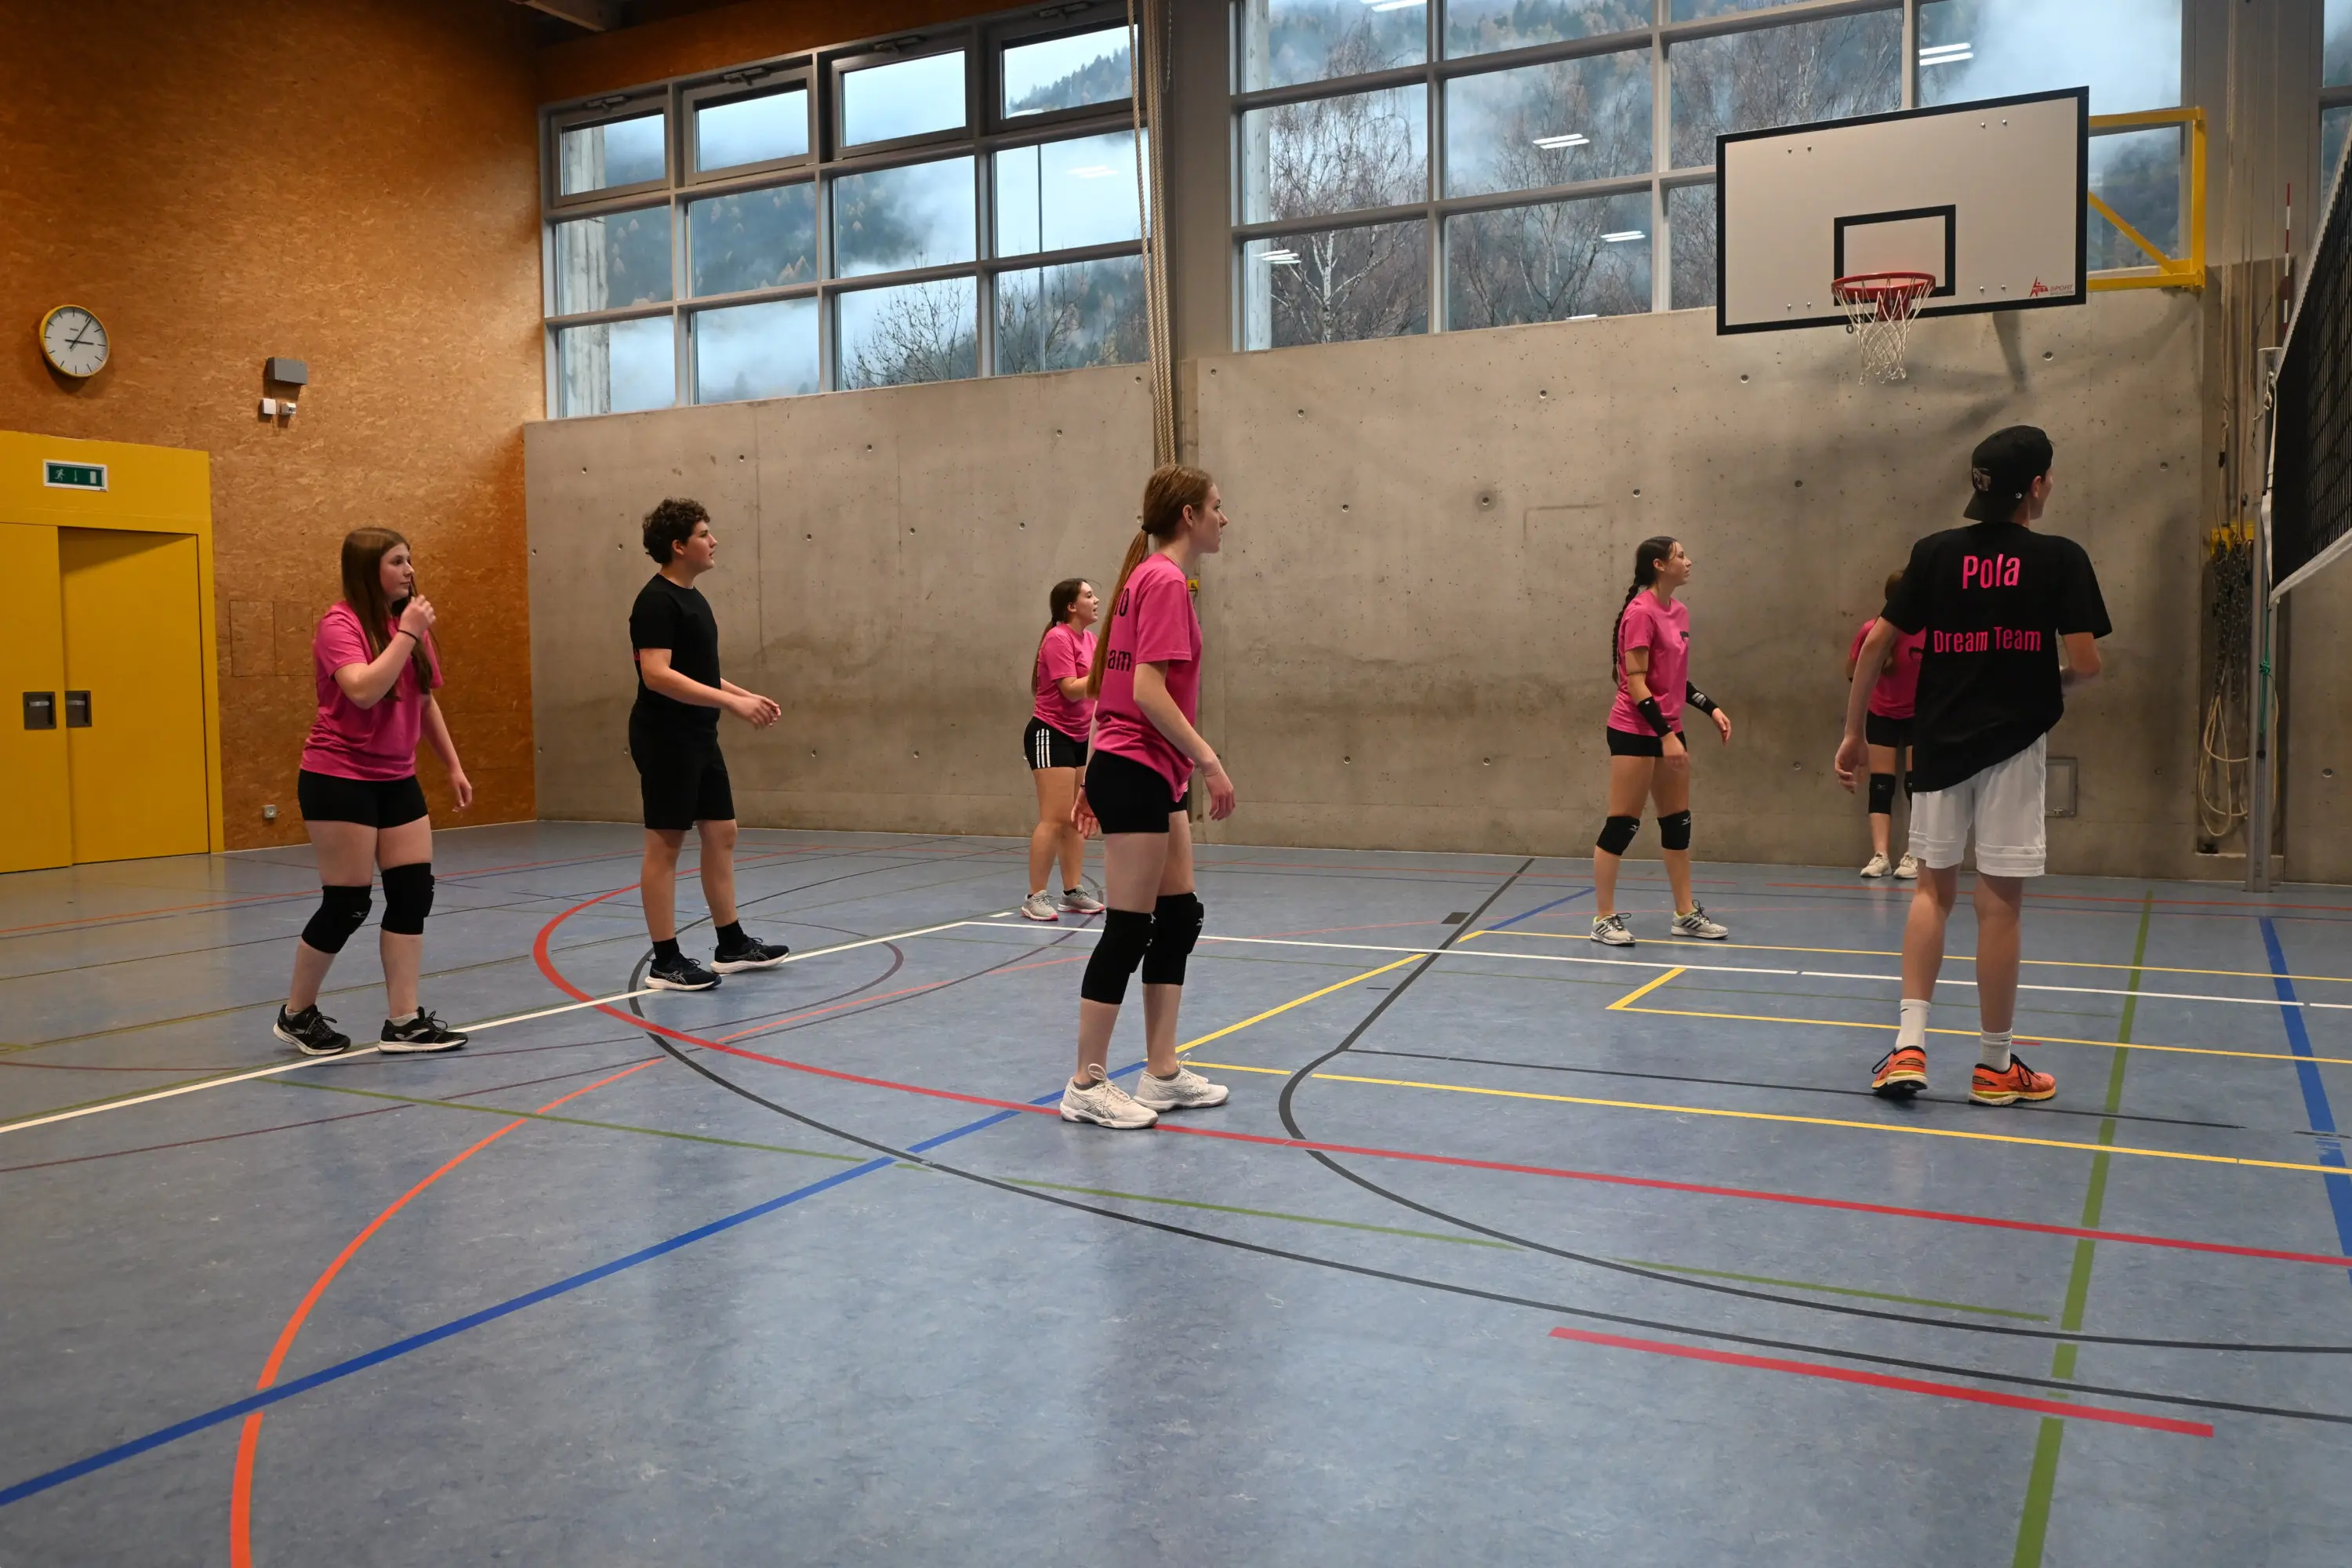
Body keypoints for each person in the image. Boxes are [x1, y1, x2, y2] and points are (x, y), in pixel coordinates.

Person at [1836, 426, 2110, 1106]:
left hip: (1938, 746)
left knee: (1931, 891)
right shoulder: (2061, 559)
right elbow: (2085, 665)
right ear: (2038, 485)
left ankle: (1908, 1048)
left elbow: (1875, 645)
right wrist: (2048, 686)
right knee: (2001, 904)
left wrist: (1851, 732)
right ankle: (1994, 1067)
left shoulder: (1934, 554)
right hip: (2014, 748)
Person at [1058, 465, 1236, 1130]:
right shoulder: (1162, 579)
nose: (1224, 518)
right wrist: (1209, 759)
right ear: (1188, 515)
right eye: (1217, 507)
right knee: (1129, 926)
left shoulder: (1151, 578)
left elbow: (1113, 680)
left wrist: (1091, 773)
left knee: (1179, 914)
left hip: (1146, 771)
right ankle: (1086, 1082)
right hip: (1139, 769)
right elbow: (1145, 692)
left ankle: (1160, 1072)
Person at [273, 528, 471, 1057]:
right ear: (369, 571)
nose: (409, 571)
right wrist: (406, 634)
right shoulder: (340, 625)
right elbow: (361, 690)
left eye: (410, 560)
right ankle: (297, 1013)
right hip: (339, 777)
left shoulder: (409, 626)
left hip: (396, 777)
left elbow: (424, 700)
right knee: (348, 903)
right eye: (397, 562)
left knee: (413, 893)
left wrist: (451, 765)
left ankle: (403, 1020)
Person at [629, 498, 790, 991]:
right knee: (666, 842)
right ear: (679, 547)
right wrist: (731, 705)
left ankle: (731, 943)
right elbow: (656, 675)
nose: (713, 540)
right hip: (665, 737)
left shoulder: (694, 598)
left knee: (722, 832)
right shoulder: (655, 600)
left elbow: (698, 672)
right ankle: (665, 960)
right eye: (704, 533)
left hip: (699, 734)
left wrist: (743, 695)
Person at [1590, 537, 1733, 948]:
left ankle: (1685, 913)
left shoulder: (1681, 612)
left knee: (1677, 823)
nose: (1689, 561)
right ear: (1659, 565)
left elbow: (1672, 679)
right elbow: (1635, 682)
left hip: (1669, 729)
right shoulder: (1640, 613)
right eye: (1681, 556)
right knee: (1623, 824)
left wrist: (1711, 708)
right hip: (1635, 729)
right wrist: (1667, 736)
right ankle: (1603, 918)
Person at [1022, 578, 1109, 922]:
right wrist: (1107, 676)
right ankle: (1034, 896)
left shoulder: (1091, 640)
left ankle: (1072, 892)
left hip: (1078, 737)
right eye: (1089, 595)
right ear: (1071, 606)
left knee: (1076, 816)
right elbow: (1072, 689)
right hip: (1049, 734)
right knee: (1055, 817)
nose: (1096, 600)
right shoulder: (1058, 638)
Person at [1846, 570, 1927, 878]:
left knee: (1916, 785)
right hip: (1882, 714)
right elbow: (1853, 672)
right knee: (1881, 786)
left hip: (1919, 715)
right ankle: (1881, 855)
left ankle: (1914, 854)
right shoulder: (1873, 631)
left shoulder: (1929, 631)